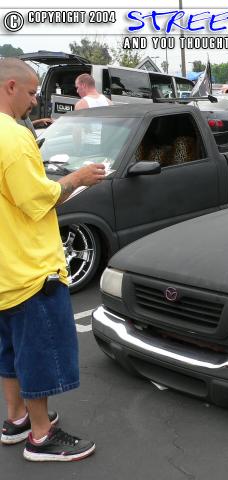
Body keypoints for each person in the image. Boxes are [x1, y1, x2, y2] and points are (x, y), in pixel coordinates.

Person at [0, 58, 105, 461]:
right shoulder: (13, 137)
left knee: (10, 352)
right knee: (37, 354)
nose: (34, 102)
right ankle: (41, 436)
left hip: (5, 269)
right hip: (30, 269)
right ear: (10, 87)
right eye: (30, 93)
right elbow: (38, 200)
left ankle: (16, 420)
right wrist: (78, 178)